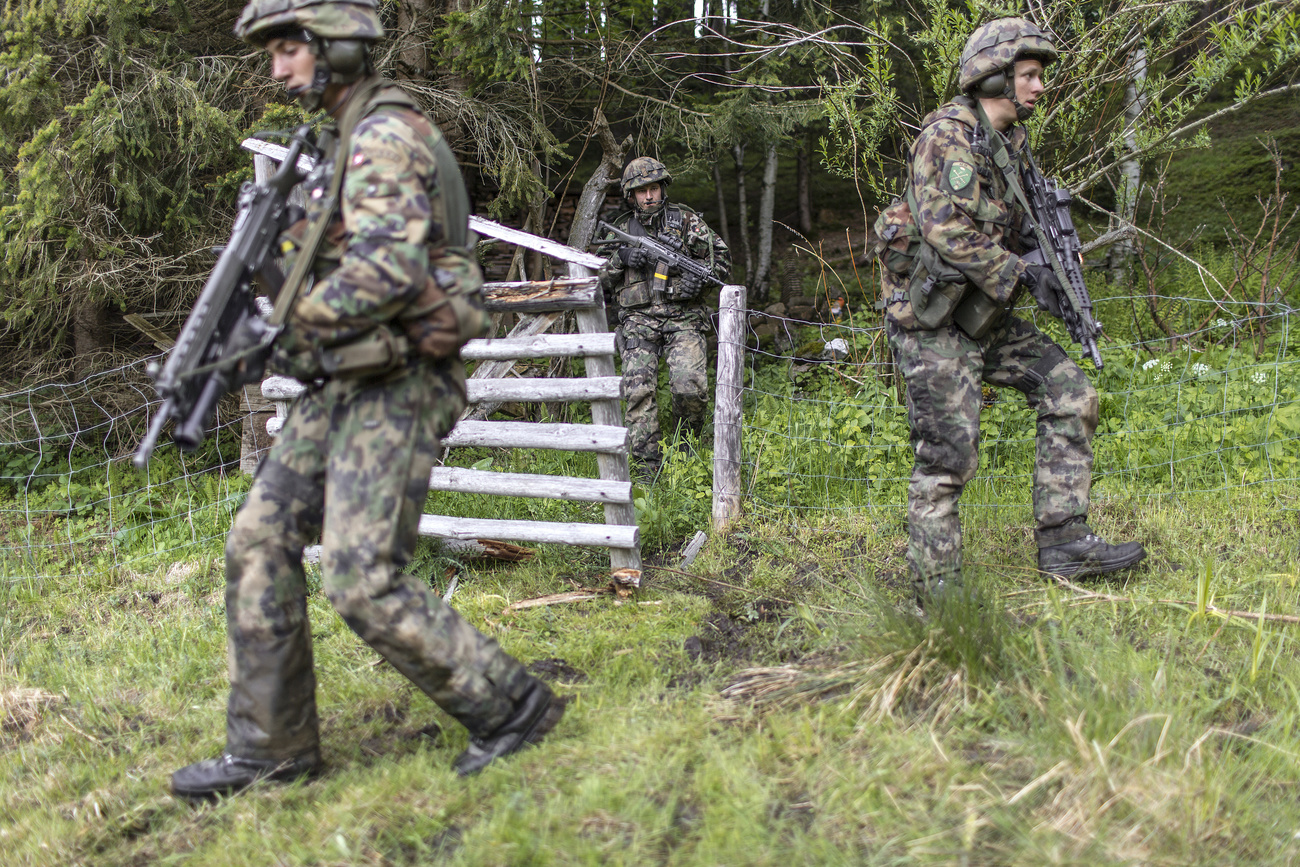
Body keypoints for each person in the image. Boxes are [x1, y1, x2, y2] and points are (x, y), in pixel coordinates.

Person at [171, 0, 562, 799]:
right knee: (258, 539)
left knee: (359, 574)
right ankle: (270, 749)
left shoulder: (384, 135)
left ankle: (511, 705)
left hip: (402, 379)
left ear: (337, 49)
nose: (277, 69)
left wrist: (281, 328)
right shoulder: (337, 138)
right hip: (346, 376)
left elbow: (386, 271)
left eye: (289, 50)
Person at [874, 17, 1146, 601]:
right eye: (1027, 75)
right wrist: (1024, 274)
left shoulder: (1011, 147)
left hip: (981, 317)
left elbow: (1015, 229)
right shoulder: (947, 138)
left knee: (1071, 392)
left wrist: (1047, 263)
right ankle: (937, 594)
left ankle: (1065, 542)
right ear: (992, 78)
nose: (1039, 87)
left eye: (1038, 76)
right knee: (949, 457)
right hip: (933, 325)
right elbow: (945, 231)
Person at [596, 158, 731, 475]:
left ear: (662, 189)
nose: (649, 196)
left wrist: (696, 282)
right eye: (641, 191)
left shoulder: (686, 222)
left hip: (684, 320)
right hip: (638, 323)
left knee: (690, 389)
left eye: (654, 188)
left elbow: (720, 262)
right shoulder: (622, 229)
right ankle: (646, 469)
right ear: (631, 195)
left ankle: (686, 457)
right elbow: (598, 279)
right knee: (638, 395)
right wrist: (622, 257)